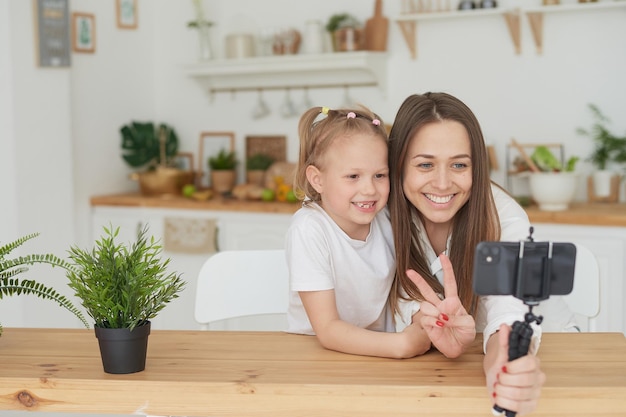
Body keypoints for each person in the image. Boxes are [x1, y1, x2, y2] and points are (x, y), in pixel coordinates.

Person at [387, 92, 578, 415]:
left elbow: (508, 313)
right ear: (398, 166)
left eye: (459, 164)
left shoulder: (505, 216)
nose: (443, 182)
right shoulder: (383, 214)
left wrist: (506, 367)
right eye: (425, 164)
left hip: (550, 356)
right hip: (445, 368)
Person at [285, 106, 431, 358]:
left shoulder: (387, 220)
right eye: (353, 176)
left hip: (375, 355)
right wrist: (400, 346)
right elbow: (328, 330)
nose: (369, 189)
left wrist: (424, 318)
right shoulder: (309, 229)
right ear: (317, 179)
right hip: (316, 356)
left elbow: (406, 289)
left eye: (379, 175)